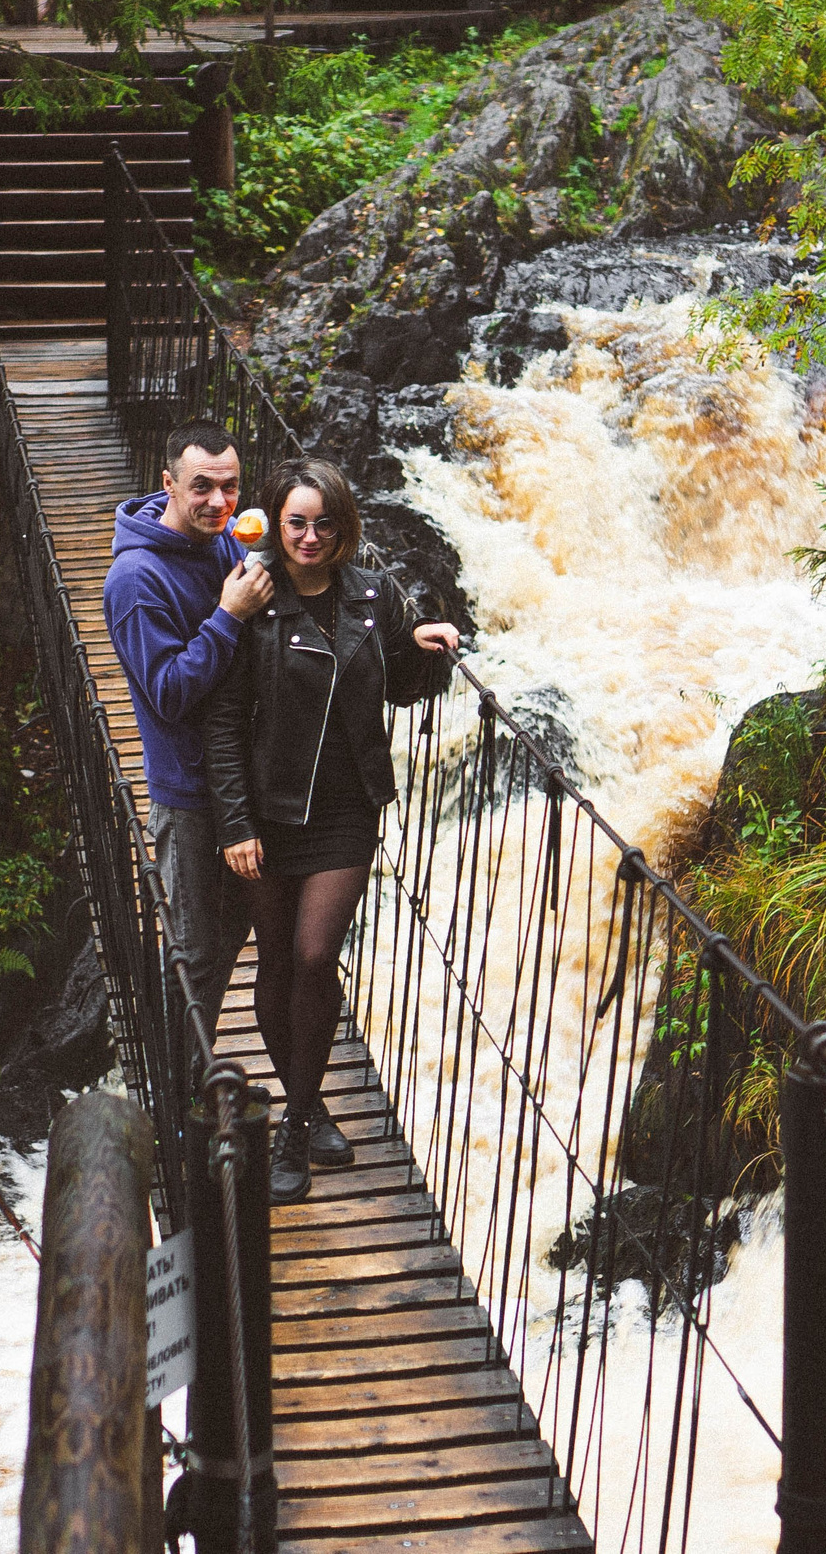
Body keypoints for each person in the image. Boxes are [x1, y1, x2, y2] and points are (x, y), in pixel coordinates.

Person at [203, 457, 462, 1202]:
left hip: (346, 809)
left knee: (316, 956)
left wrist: (426, 646)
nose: (309, 536)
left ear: (342, 526)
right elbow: (222, 723)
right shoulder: (252, 598)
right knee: (277, 962)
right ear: (275, 525)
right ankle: (309, 1103)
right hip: (267, 813)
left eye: (323, 523)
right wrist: (234, 821)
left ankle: (291, 1126)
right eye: (295, 523)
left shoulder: (375, 595)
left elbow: (398, 688)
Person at [105, 422, 277, 1039]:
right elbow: (170, 695)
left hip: (240, 777)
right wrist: (229, 615)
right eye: (201, 487)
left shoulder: (224, 541)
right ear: (168, 483)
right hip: (189, 792)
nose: (218, 503)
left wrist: (402, 633)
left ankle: (188, 1078)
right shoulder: (135, 580)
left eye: (230, 488)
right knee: (198, 954)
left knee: (232, 940)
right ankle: (175, 1098)